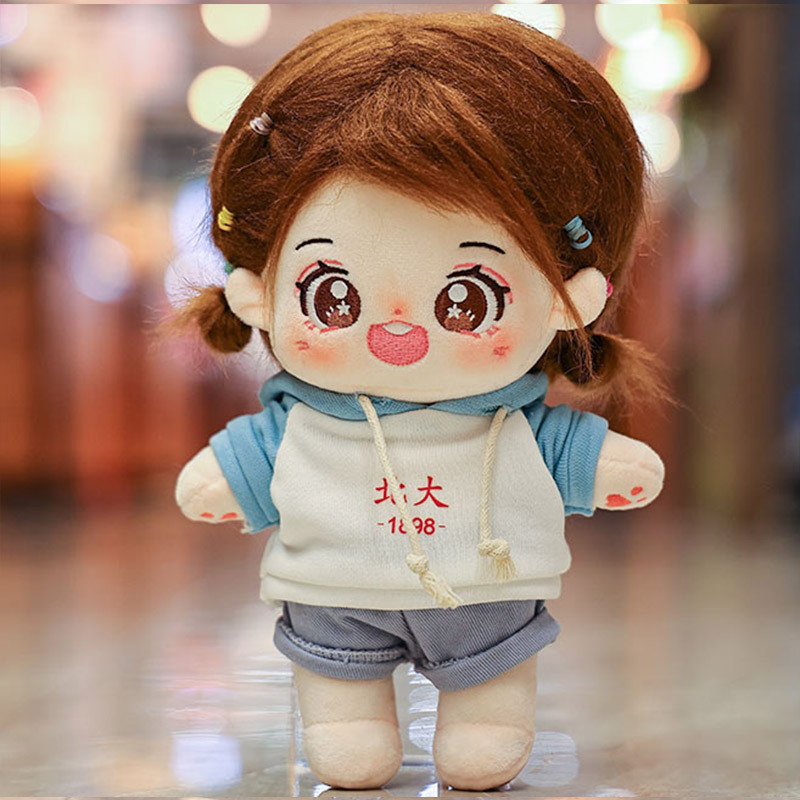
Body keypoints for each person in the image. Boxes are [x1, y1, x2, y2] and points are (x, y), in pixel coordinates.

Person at [174, 11, 666, 791]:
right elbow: (250, 457)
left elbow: (563, 448)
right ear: (259, 293)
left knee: (484, 743)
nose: (395, 332)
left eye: (466, 299)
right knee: (348, 746)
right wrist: (227, 476)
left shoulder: (512, 424)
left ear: (566, 298)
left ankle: (485, 724)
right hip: (334, 604)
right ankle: (349, 725)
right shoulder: (303, 425)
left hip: (484, 607)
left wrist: (598, 464)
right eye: (333, 296)